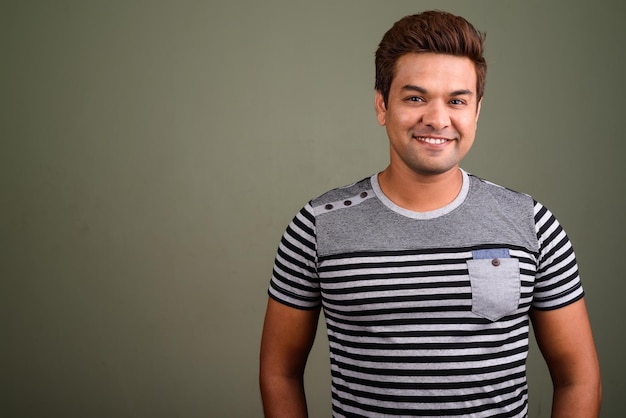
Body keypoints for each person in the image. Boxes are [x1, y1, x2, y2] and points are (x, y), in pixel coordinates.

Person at [259, 10, 601, 418]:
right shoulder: (317, 226)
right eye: (415, 98)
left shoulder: (532, 223)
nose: (438, 119)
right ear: (382, 105)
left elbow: (578, 378)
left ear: (476, 111)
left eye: (457, 100)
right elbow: (279, 371)